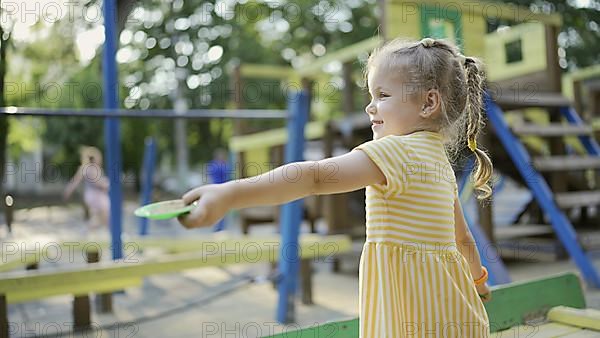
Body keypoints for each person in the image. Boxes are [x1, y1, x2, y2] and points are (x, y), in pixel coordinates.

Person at [178, 38, 493, 337]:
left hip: (413, 318)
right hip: (454, 313)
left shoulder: (394, 152)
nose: (370, 108)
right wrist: (478, 281)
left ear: (429, 102)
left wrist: (229, 194)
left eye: (383, 96)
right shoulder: (439, 161)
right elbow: (462, 238)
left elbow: (313, 177)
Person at [64, 146, 110, 230]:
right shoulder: (92, 169)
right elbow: (97, 182)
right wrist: (107, 185)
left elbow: (74, 182)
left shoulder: (85, 168)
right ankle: (110, 233)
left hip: (91, 195)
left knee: (97, 216)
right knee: (104, 216)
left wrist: (68, 191)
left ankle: (90, 232)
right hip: (97, 196)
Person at [206, 148, 231, 231]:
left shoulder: (212, 165)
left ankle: (218, 228)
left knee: (218, 209)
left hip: (215, 189)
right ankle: (219, 228)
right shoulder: (221, 166)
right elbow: (227, 173)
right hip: (221, 189)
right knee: (222, 209)